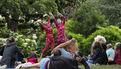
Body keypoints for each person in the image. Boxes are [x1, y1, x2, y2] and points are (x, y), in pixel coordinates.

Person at [21, 50, 90, 69]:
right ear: (79, 58)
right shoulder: (73, 66)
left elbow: (53, 57)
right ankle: (26, 66)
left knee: (38, 65)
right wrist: (84, 62)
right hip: (47, 65)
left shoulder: (65, 58)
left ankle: (25, 66)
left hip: (46, 61)